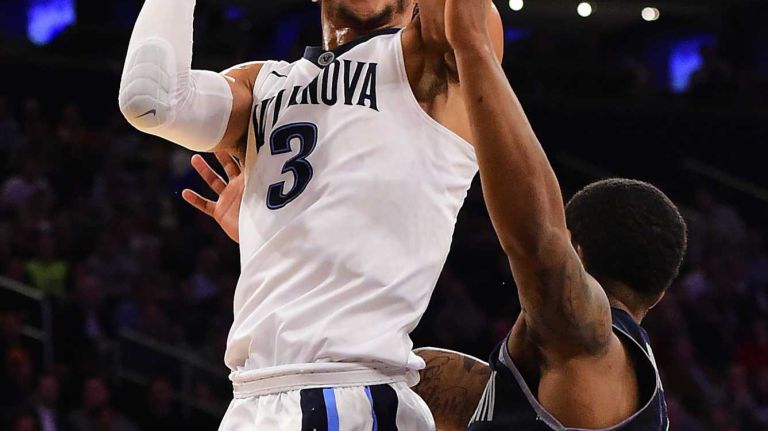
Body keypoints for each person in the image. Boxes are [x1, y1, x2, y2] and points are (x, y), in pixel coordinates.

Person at [118, 0, 503, 428]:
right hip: (251, 395)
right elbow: (151, 100)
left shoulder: (434, 60)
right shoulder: (264, 82)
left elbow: (470, 22)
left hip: (345, 389)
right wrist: (278, 226)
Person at [417, 0, 688, 429]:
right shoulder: (547, 374)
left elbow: (537, 242)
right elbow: (422, 383)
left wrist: (473, 49)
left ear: (575, 250)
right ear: (657, 294)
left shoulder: (589, 343)